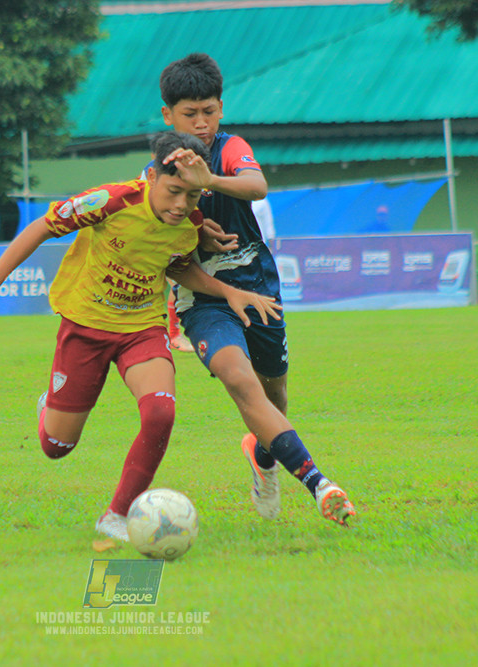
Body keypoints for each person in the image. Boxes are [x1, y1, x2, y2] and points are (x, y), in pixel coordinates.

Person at [0, 131, 282, 541]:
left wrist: (229, 291)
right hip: (84, 327)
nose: (181, 205)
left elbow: (178, 267)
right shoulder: (111, 200)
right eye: (174, 192)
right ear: (153, 176)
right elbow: (42, 227)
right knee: (56, 448)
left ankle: (118, 515)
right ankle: (49, 407)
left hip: (141, 328)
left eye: (192, 198)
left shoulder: (190, 223)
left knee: (161, 412)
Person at [158, 53, 355, 526]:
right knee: (239, 380)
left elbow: (257, 185)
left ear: (221, 108)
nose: (201, 123)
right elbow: (169, 260)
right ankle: (319, 483)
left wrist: (211, 182)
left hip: (259, 288)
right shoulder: (159, 172)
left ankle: (263, 457)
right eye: (190, 113)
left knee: (275, 396)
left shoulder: (229, 148)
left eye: (209, 111)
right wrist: (195, 231)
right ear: (168, 115)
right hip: (205, 300)